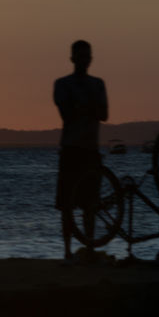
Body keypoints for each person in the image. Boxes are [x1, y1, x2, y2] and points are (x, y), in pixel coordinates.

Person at [53, 40, 108, 261]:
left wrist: (80, 105)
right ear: (72, 58)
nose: (84, 60)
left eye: (87, 56)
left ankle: (90, 248)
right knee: (66, 204)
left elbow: (103, 114)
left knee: (90, 204)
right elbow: (67, 113)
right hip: (70, 149)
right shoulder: (62, 83)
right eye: (80, 56)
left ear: (90, 59)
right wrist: (87, 106)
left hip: (90, 149)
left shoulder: (98, 84)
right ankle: (67, 251)